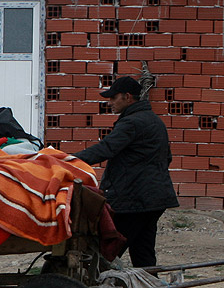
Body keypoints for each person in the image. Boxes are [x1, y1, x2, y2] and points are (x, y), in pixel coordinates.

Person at [75, 76, 178, 268]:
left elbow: (105, 149)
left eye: (114, 98)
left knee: (108, 252)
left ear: (127, 97)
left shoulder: (131, 123)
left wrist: (69, 159)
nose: (110, 103)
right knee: (143, 252)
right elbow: (167, 158)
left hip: (134, 201)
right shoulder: (154, 121)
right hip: (155, 199)